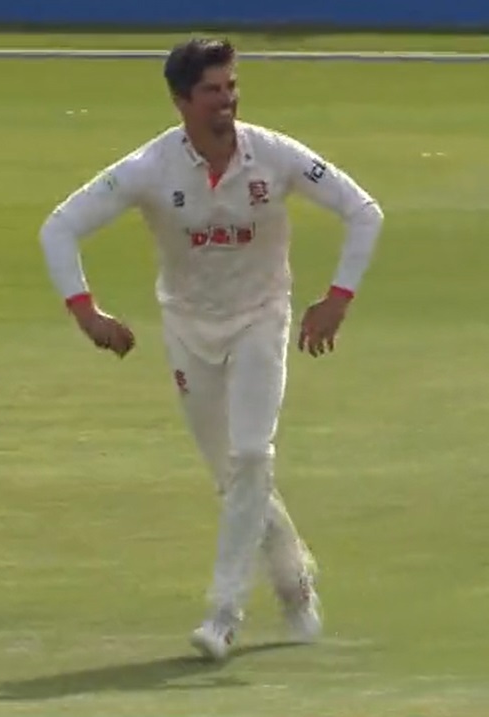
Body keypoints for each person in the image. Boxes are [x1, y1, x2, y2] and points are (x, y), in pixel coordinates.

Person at [38, 36, 384, 661]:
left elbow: (363, 210)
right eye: (211, 91)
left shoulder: (274, 155)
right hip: (188, 329)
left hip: (261, 318)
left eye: (231, 88)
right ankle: (295, 578)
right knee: (233, 476)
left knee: (252, 452)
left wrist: (337, 298)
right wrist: (86, 313)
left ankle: (224, 613)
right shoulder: (150, 168)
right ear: (180, 101)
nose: (226, 102)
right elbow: (59, 227)